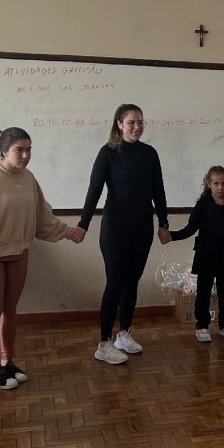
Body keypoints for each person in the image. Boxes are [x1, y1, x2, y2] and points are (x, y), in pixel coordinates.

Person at [0, 127, 76, 390]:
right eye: (19, 150)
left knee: (10, 310)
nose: (25, 155)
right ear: (4, 150)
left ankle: (7, 361)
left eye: (29, 150)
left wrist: (67, 232)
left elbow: (42, 216)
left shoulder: (29, 178)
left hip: (18, 254)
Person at [71, 104, 169, 365]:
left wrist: (163, 223)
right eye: (131, 123)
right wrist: (83, 224)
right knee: (115, 281)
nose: (137, 127)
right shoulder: (108, 153)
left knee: (132, 281)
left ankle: (123, 334)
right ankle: (103, 344)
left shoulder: (149, 153)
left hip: (142, 226)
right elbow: (94, 190)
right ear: (119, 124)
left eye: (140, 122)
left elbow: (158, 190)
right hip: (115, 227)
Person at [169, 166, 224, 342]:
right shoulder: (203, 204)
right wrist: (171, 236)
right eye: (216, 183)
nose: (220, 187)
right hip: (206, 255)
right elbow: (190, 229)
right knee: (203, 292)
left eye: (223, 183)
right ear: (209, 184)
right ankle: (202, 326)